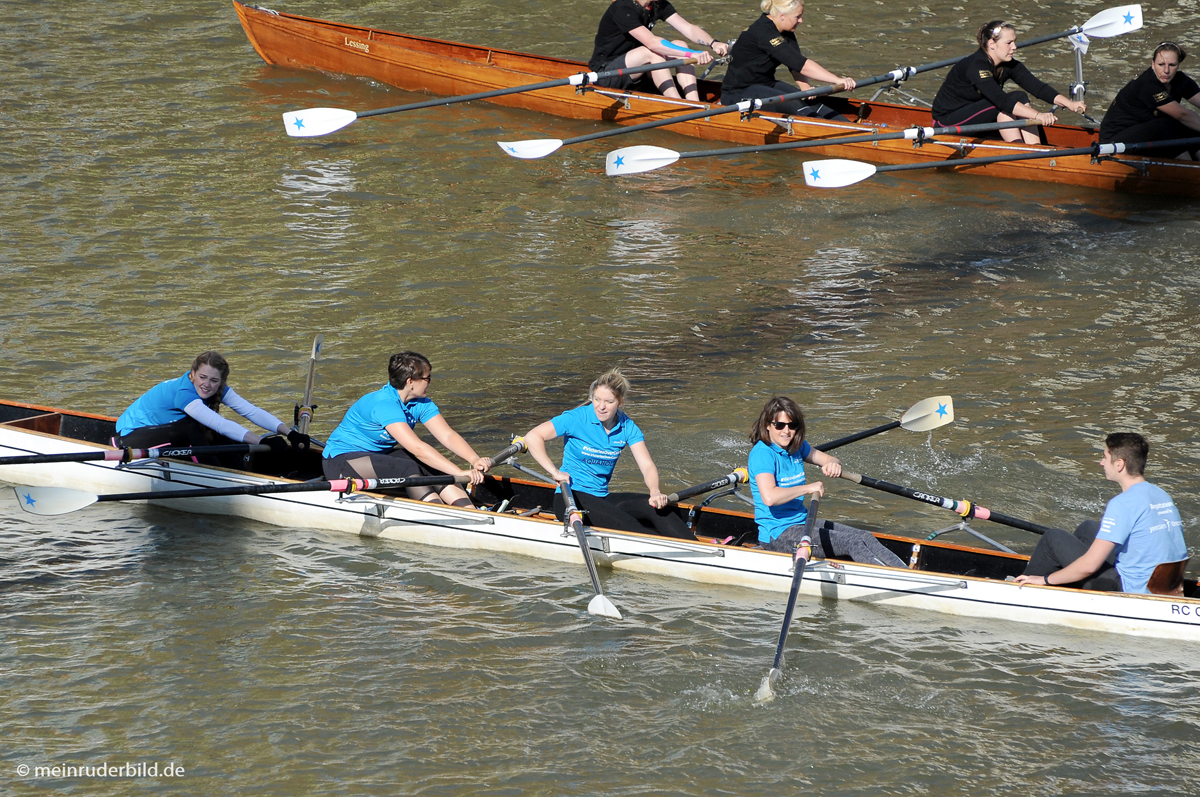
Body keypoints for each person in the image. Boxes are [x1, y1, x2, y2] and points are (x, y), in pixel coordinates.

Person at [523, 369, 692, 539]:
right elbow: (533, 437)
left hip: (602, 497)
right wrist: (554, 472)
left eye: (609, 401)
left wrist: (655, 491)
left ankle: (699, 546)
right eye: (597, 399)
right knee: (628, 525)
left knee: (657, 509)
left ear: (620, 402)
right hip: (571, 498)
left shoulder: (627, 426)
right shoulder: (576, 418)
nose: (601, 406)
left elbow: (647, 466)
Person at [1015, 433, 1187, 594]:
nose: (1101, 463)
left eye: (1104, 457)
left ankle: (1023, 589)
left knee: (1053, 538)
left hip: (1129, 591)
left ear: (1119, 464)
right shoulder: (1161, 494)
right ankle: (1067, 583)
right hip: (1165, 585)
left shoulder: (1122, 503)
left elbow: (1090, 566)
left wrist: (1045, 579)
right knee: (1088, 528)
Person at [748, 396, 906, 567]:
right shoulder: (762, 454)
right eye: (780, 425)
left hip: (802, 521)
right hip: (777, 534)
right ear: (768, 425)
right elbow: (770, 497)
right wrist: (807, 488)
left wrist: (832, 464)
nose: (786, 431)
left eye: (792, 425)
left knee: (864, 536)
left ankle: (904, 572)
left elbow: (829, 459)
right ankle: (890, 577)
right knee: (852, 542)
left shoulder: (797, 447)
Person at [321, 352, 488, 507]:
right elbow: (418, 449)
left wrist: (474, 459)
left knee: (435, 465)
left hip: (378, 456)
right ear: (410, 382)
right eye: (427, 378)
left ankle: (469, 511)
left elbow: (447, 435)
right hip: (341, 462)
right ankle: (441, 514)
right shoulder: (384, 405)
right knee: (408, 468)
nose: (430, 382)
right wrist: (459, 473)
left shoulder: (421, 403)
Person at [931, 20, 1087, 144]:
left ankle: (1035, 148)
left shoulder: (1009, 65)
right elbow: (1000, 100)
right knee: (999, 102)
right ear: (992, 44)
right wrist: (1038, 115)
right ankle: (1016, 149)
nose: (1015, 47)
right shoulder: (976, 66)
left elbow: (1038, 88)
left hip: (977, 114)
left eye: (1015, 42)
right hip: (946, 123)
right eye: (1009, 43)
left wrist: (1070, 104)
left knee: (1019, 95)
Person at [115, 351, 295, 455]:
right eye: (202, 377)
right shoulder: (184, 393)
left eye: (214, 380)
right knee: (193, 427)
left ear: (221, 380)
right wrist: (262, 441)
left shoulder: (218, 388)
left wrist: (290, 433)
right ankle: (219, 472)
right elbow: (220, 423)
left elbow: (251, 411)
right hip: (129, 437)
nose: (207, 385)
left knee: (219, 436)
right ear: (192, 374)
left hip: (162, 432)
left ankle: (238, 470)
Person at [720, 0, 857, 119]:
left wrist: (805, 87)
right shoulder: (764, 32)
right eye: (798, 16)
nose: (801, 20)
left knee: (812, 102)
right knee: (794, 104)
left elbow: (794, 64)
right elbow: (802, 65)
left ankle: (858, 131)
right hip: (738, 92)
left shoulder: (786, 31)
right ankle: (832, 133)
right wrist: (837, 80)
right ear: (782, 16)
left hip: (766, 84)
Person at [588, 0, 729, 102]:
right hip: (607, 74)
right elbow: (652, 43)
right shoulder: (623, 8)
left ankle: (694, 102)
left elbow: (689, 28)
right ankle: (676, 103)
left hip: (638, 69)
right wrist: (693, 54)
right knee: (652, 53)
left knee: (680, 44)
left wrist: (713, 43)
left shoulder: (657, 4)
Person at [1099, 42, 1200, 160]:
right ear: (1153, 64)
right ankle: (1189, 167)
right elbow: (1183, 115)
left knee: (1190, 128)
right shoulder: (1147, 84)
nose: (1166, 70)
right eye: (1161, 64)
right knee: (1168, 124)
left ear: (1178, 65)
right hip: (1114, 143)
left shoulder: (1181, 80)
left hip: (1147, 133)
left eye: (1172, 65)